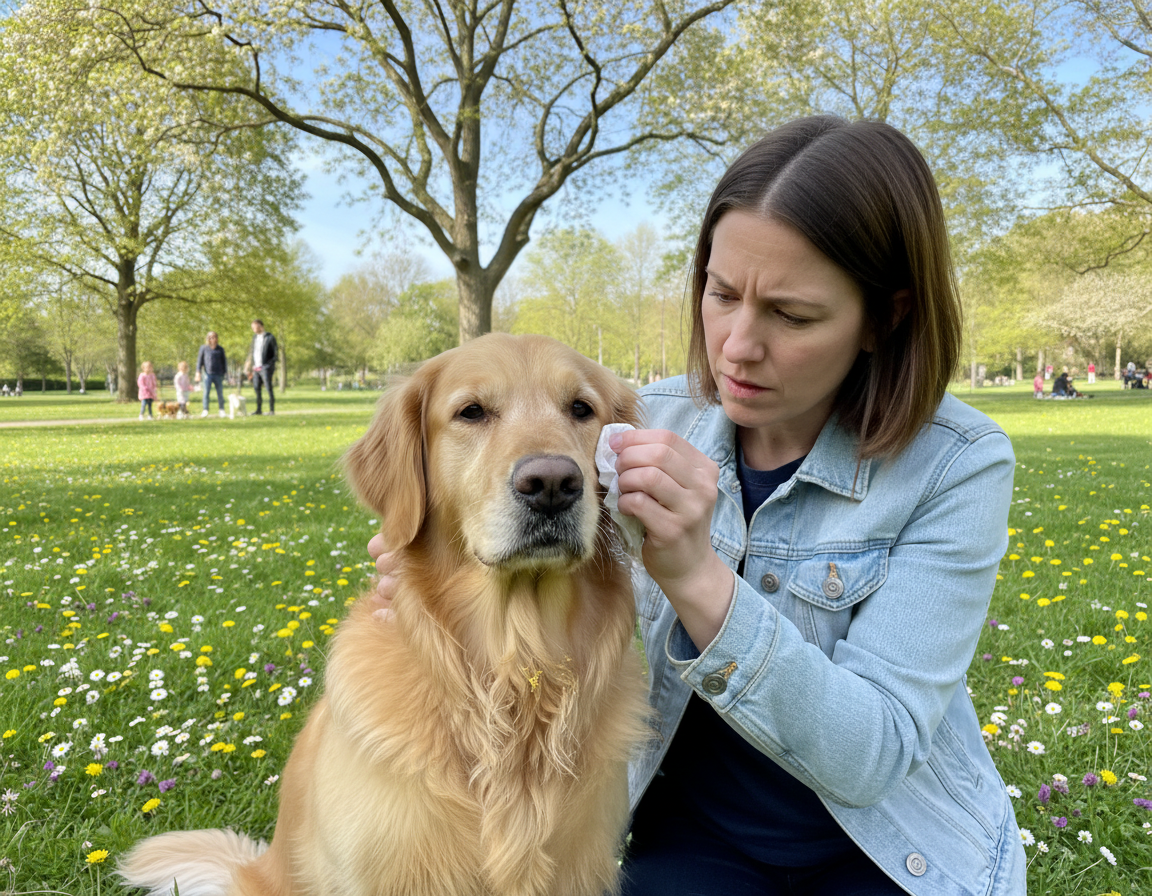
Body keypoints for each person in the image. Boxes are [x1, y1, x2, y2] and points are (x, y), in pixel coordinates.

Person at [369, 116, 1025, 896]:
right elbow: (500, 518)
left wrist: (694, 573)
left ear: (884, 318)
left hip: (894, 849)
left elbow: (870, 755)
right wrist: (418, 572)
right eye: (721, 293)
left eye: (792, 314)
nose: (737, 345)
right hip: (695, 838)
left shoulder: (956, 464)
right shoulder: (637, 418)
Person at [244, 319, 278, 415]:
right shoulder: (254, 338)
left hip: (265, 368)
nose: (253, 329)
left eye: (254, 327)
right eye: (252, 327)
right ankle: (259, 410)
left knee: (268, 388)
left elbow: (275, 354)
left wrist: (268, 366)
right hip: (256, 368)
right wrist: (250, 365)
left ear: (260, 326)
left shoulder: (270, 337)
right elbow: (252, 352)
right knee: (256, 388)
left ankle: (271, 410)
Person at [196, 331, 228, 418]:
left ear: (217, 338)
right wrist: (198, 371)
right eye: (210, 337)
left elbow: (224, 362)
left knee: (220, 393)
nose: (212, 339)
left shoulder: (220, 349)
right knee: (206, 393)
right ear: (207, 338)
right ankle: (205, 410)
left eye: (214, 337)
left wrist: (225, 373)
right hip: (207, 374)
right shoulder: (204, 348)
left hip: (219, 374)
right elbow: (200, 361)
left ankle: (221, 410)